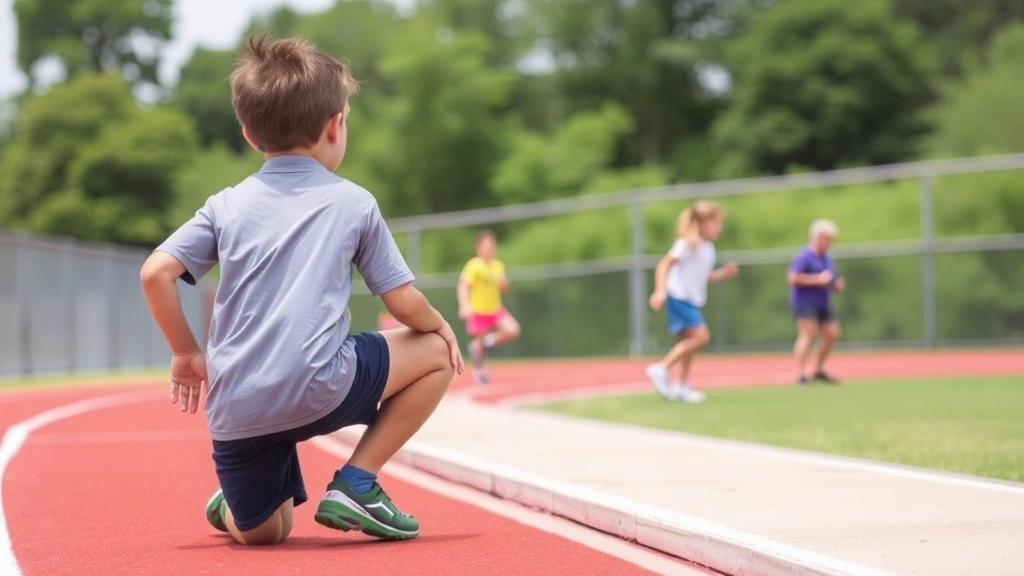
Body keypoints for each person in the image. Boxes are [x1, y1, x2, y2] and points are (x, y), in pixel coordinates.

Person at [139, 34, 463, 547]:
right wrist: (440, 326)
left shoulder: (224, 205)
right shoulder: (354, 203)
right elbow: (401, 302)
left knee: (263, 537)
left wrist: (184, 353)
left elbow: (155, 273)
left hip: (238, 410)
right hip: (320, 390)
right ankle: (357, 482)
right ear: (336, 126)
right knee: (436, 353)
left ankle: (240, 506)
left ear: (248, 135)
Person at [645, 200, 738, 403]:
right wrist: (660, 290)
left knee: (687, 343)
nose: (718, 228)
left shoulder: (709, 249)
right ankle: (661, 368)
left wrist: (723, 274)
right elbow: (664, 264)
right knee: (701, 337)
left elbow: (706, 277)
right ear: (702, 223)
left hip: (691, 298)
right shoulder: (688, 243)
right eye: (715, 223)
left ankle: (682, 386)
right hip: (679, 296)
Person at [456, 230, 521, 384]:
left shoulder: (498, 266)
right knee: (479, 350)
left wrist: (504, 285)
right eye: (485, 246)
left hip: (495, 309)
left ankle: (485, 343)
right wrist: (464, 305)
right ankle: (480, 371)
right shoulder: (474, 265)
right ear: (478, 248)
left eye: (491, 246)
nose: (488, 249)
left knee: (513, 330)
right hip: (478, 311)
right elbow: (463, 285)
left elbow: (503, 289)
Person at [788, 218, 844, 384]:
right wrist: (817, 280)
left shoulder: (827, 258)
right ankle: (800, 373)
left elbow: (830, 279)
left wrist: (836, 285)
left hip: (822, 302)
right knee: (807, 335)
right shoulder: (804, 256)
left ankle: (818, 369)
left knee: (832, 333)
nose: (830, 243)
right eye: (827, 239)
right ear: (818, 237)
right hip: (805, 302)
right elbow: (793, 278)